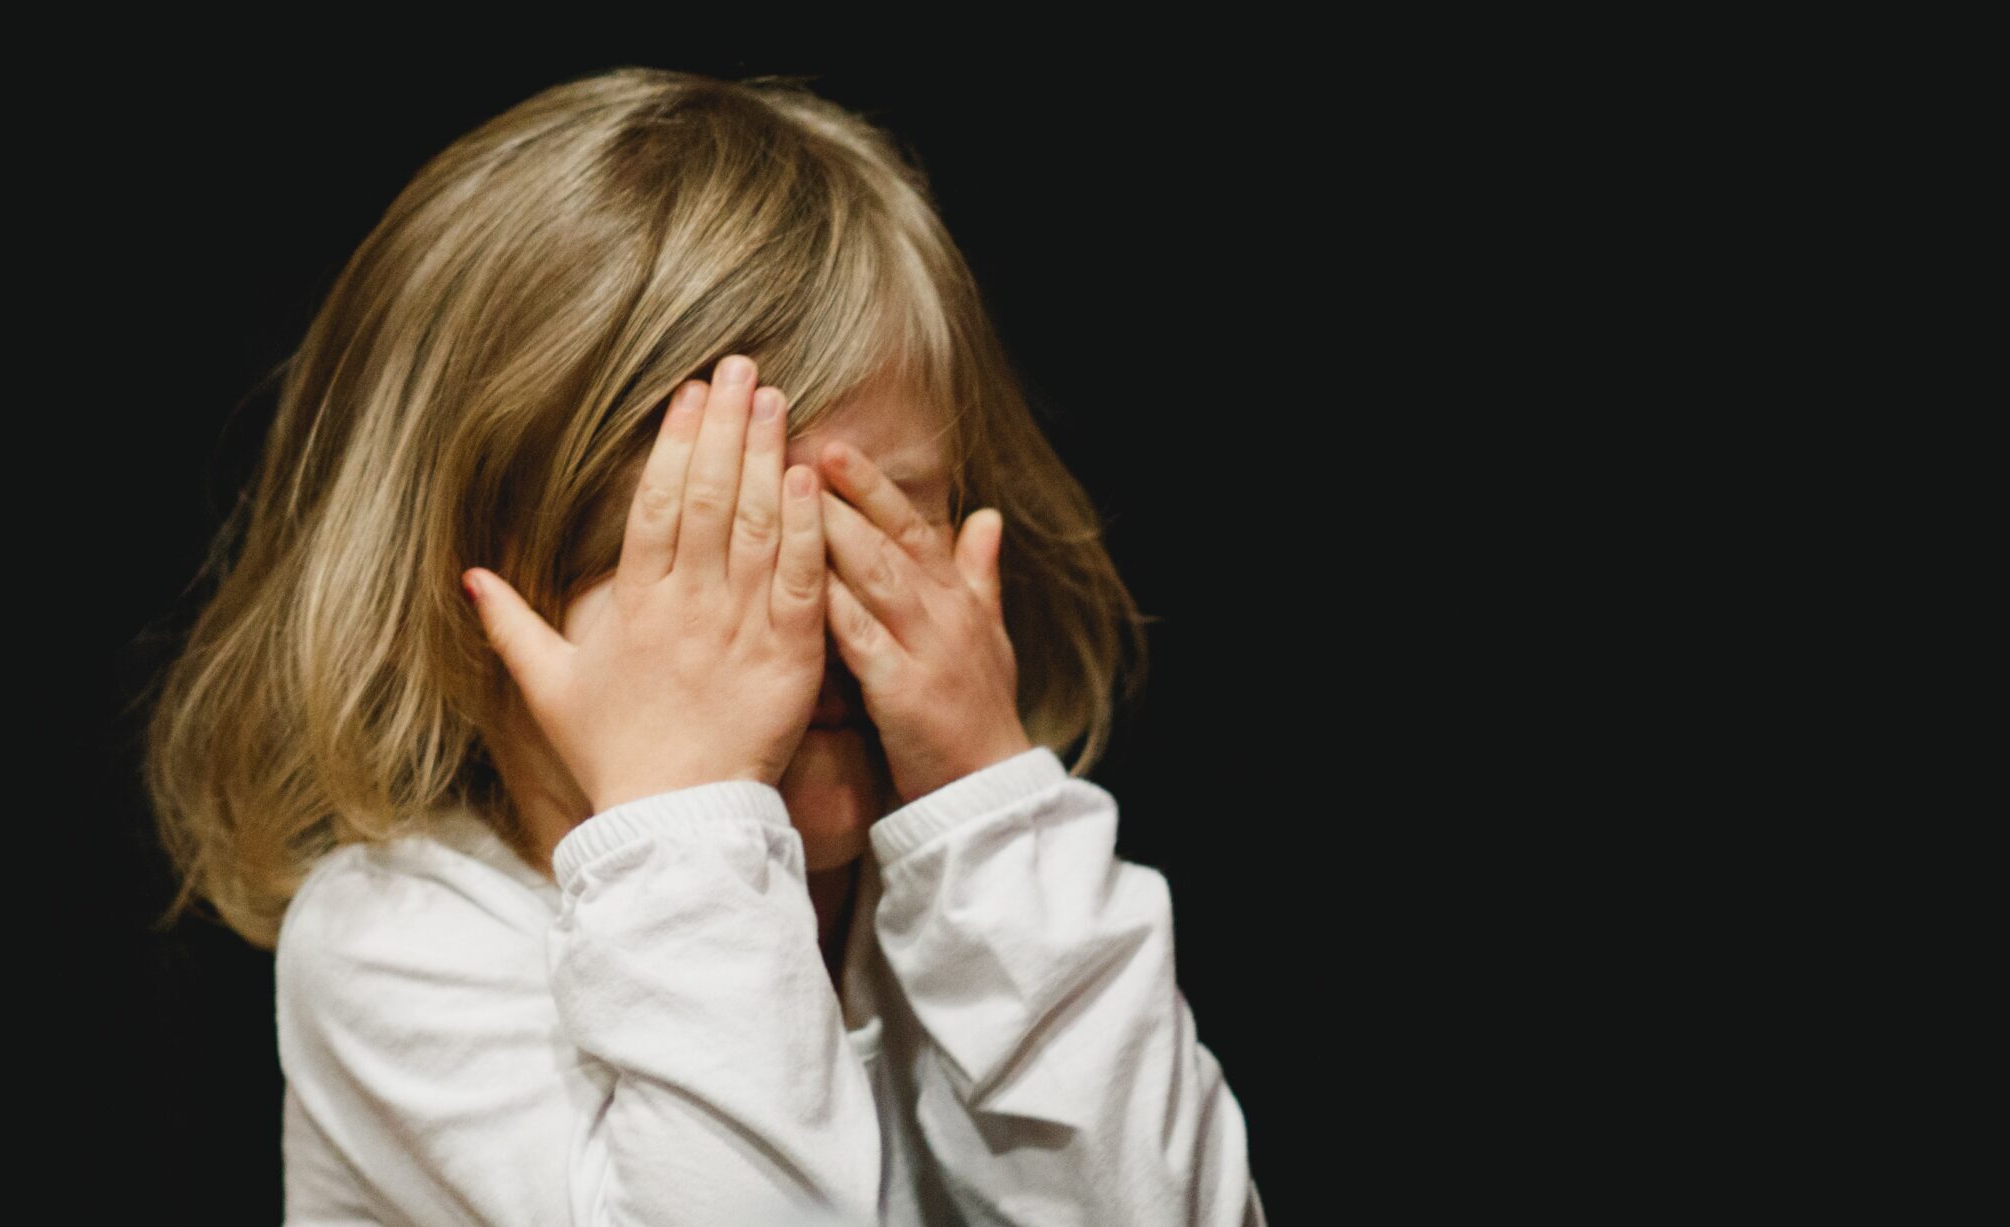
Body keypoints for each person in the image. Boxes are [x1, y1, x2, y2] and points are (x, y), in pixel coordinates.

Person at [143, 66, 1266, 1226]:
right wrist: (688, 818)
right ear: (475, 597)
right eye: (715, 548)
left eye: (874, 521)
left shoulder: (975, 900)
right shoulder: (399, 942)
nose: (804, 616)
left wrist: (990, 816)